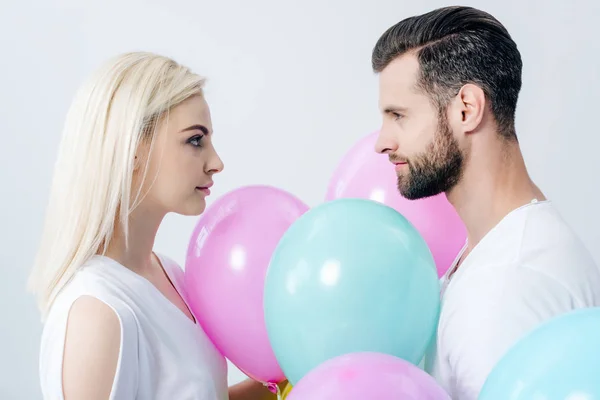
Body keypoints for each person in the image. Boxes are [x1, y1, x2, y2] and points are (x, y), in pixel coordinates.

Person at [372, 6, 600, 400]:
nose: (382, 143)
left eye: (399, 116)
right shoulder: (500, 252)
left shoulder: (505, 287)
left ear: (467, 109)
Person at [28, 52, 281, 400]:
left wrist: (286, 379)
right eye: (195, 140)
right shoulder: (97, 312)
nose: (216, 162)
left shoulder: (172, 276)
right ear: (132, 148)